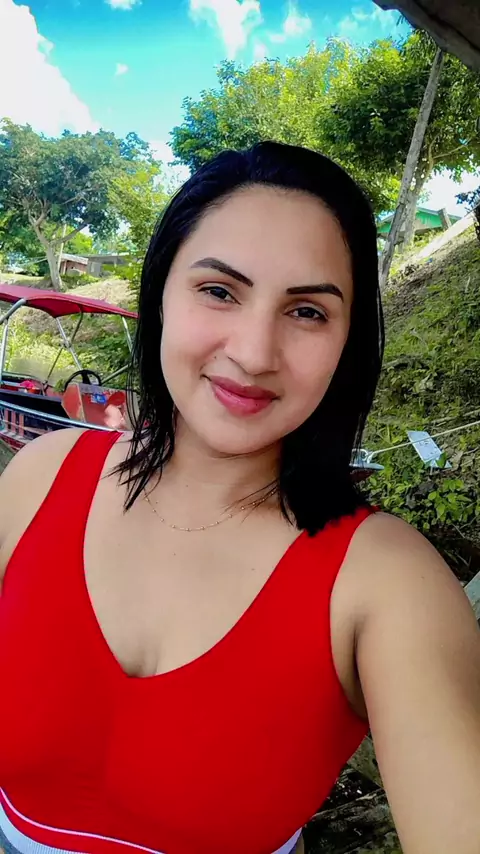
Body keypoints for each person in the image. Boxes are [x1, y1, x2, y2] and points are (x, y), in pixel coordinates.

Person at [0, 141, 479, 854]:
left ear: (348, 342)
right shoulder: (42, 475)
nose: (254, 353)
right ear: (162, 293)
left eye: (308, 311)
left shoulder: (388, 583)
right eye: (220, 291)